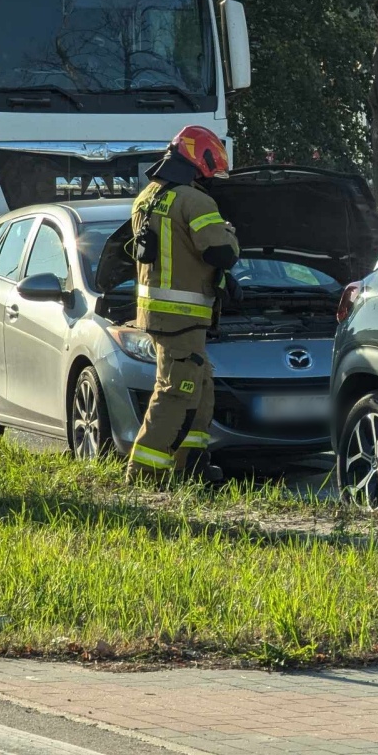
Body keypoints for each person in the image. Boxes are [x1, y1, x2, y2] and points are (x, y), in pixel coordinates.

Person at [125, 125, 240, 486]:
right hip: (183, 316)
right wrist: (231, 234)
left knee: (200, 386)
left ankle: (190, 464)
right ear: (200, 162)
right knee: (176, 391)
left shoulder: (147, 197)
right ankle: (143, 474)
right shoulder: (195, 201)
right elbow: (220, 252)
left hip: (158, 312)